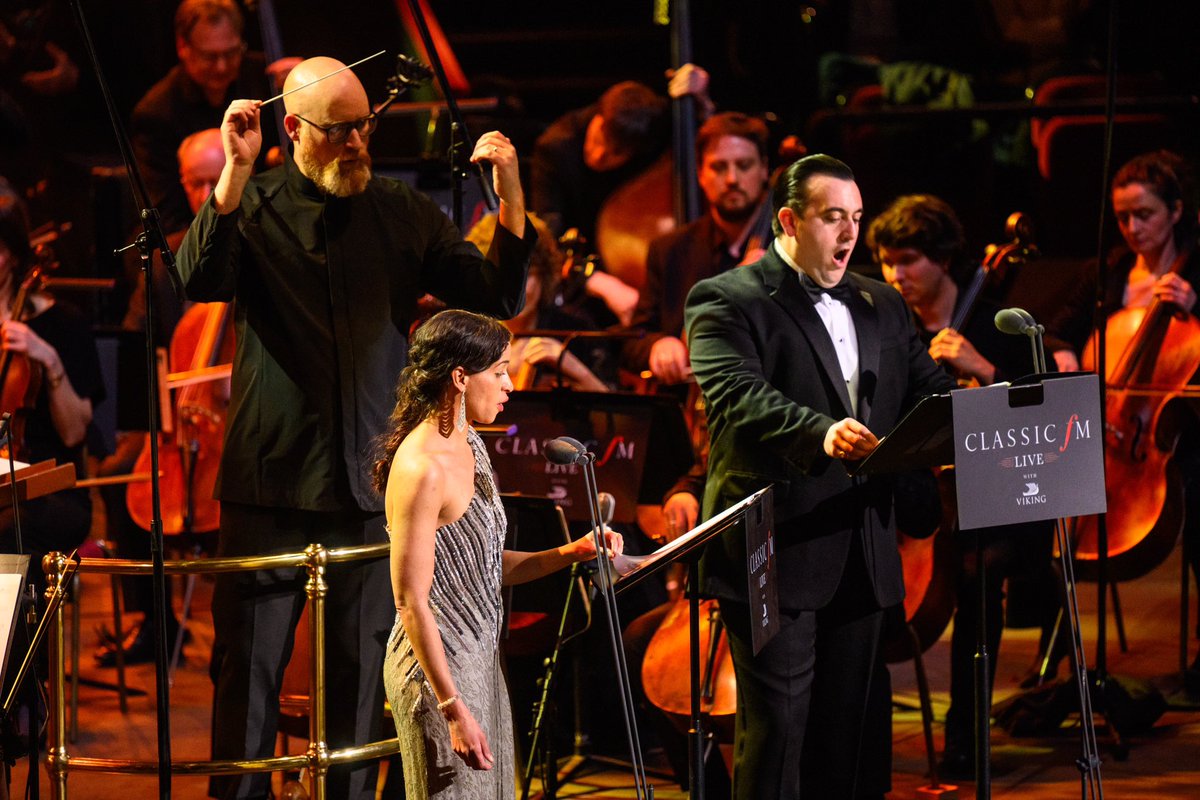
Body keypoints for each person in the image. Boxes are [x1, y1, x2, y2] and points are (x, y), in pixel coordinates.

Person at [175, 55, 534, 800]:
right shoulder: (259, 201)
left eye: (364, 126)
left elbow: (493, 290)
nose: (356, 142)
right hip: (271, 483)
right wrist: (234, 174)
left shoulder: (401, 211)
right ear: (292, 127)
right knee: (247, 681)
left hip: (372, 486)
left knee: (357, 696)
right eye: (339, 130)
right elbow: (197, 280)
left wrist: (511, 196)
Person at [683, 154, 957, 799]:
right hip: (773, 544)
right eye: (833, 217)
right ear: (789, 219)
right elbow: (737, 395)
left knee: (845, 731)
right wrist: (821, 431)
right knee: (778, 728)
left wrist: (983, 414)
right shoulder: (725, 298)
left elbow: (929, 391)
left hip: (860, 544)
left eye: (855, 218)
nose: (849, 233)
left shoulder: (882, 302)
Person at [374, 308, 620, 799]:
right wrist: (452, 708)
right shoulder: (423, 468)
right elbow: (411, 602)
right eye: (501, 371)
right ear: (461, 377)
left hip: (480, 658)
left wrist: (572, 551)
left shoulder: (470, 443)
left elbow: (483, 569)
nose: (510, 385)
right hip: (437, 676)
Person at [867, 193, 1059, 777]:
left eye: (907, 260)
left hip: (1002, 503)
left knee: (977, 573)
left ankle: (964, 734)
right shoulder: (882, 327)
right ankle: (862, 747)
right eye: (885, 262)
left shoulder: (1001, 326)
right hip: (919, 501)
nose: (894, 275)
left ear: (944, 259)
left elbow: (1050, 419)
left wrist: (984, 370)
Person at [1045, 150, 1200, 687]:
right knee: (1045, 508)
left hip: (1181, 434)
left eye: (1145, 215)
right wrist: (1063, 351)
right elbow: (1055, 328)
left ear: (1176, 212)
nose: (1132, 228)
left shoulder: (1195, 271)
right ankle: (1055, 652)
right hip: (1103, 429)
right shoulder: (1107, 271)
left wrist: (1197, 306)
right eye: (1123, 217)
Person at [93, 127, 227, 668]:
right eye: (197, 184)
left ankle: (235, 636)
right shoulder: (168, 255)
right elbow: (137, 333)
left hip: (239, 421)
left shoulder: (260, 245)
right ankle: (157, 622)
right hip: (181, 420)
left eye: (216, 180)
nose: (206, 192)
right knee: (124, 475)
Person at [0, 179, 104, 587]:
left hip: (49, 492)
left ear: (9, 255)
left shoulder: (63, 325)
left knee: (9, 529)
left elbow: (75, 432)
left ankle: (19, 649)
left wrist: (49, 359)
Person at [623, 111, 772, 386]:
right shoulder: (669, 250)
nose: (731, 179)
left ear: (764, 169)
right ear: (700, 174)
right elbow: (634, 340)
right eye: (718, 167)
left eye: (744, 165)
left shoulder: (789, 250)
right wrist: (659, 345)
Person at [130, 0, 295, 231]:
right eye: (209, 56)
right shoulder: (156, 115)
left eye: (231, 53)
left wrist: (304, 88)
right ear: (182, 47)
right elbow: (167, 219)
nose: (221, 67)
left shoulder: (267, 79)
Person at [530, 65, 710, 244]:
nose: (599, 155)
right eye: (600, 138)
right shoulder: (554, 149)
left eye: (616, 152)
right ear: (598, 117)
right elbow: (548, 232)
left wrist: (700, 99)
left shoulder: (651, 127)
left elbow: (705, 134)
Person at [465, 212, 614, 391]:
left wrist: (573, 368)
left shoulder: (576, 333)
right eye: (503, 275)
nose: (516, 291)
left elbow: (620, 415)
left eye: (527, 275)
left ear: (545, 275)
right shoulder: (464, 336)